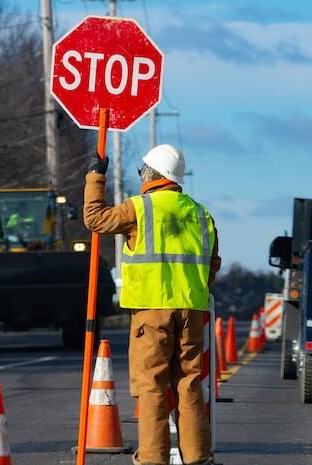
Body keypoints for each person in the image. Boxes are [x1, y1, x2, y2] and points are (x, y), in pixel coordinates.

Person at [83, 144, 221, 465]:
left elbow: (94, 219)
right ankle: (198, 457)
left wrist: (95, 177)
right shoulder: (201, 213)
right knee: (188, 385)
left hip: (150, 313)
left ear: (149, 174)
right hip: (191, 311)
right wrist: (192, 292)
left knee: (153, 388)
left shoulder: (138, 209)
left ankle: (153, 458)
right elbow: (212, 263)